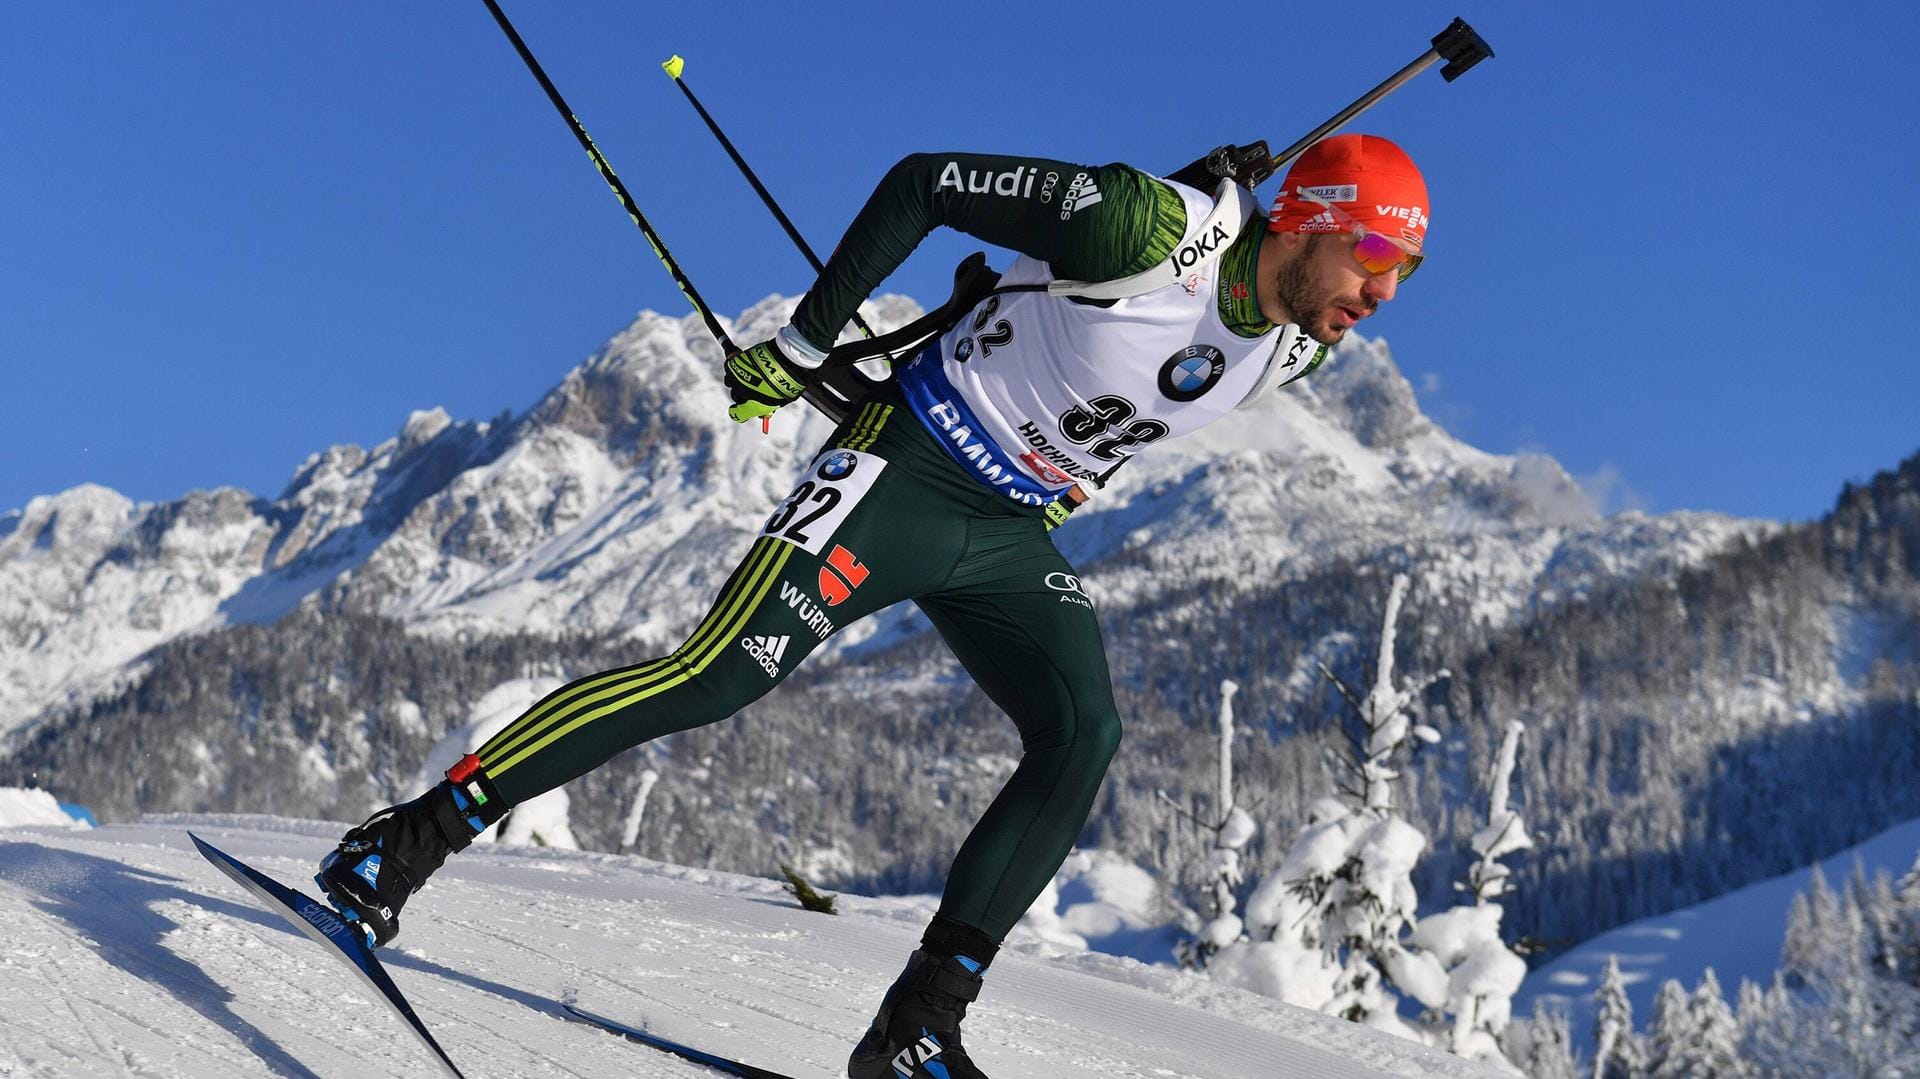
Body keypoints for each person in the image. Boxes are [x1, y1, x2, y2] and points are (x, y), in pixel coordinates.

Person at [316, 132, 1431, 1079]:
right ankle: (400, 842)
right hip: (906, 466)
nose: (1383, 295)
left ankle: (916, 1029)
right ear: (1310, 217)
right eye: (1375, 256)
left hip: (1008, 530)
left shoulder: (1301, 351)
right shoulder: (1146, 228)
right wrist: (804, 345)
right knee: (717, 676)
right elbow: (926, 181)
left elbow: (1160, 344)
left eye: (1407, 276)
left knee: (1082, 731)